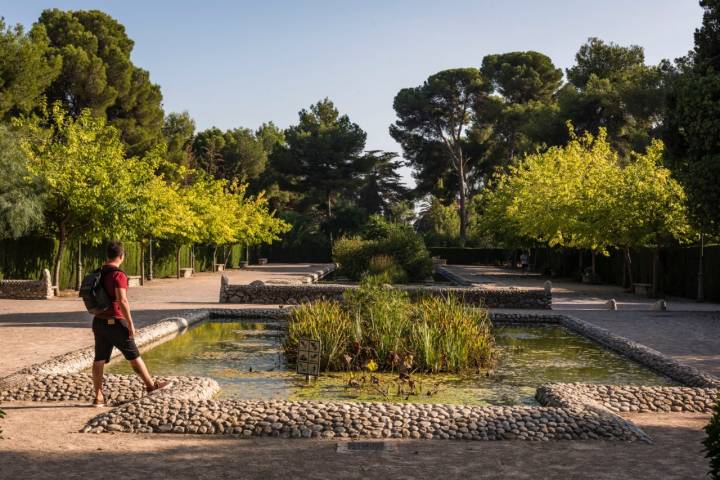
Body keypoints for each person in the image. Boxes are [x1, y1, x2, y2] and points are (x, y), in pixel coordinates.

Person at [91, 241, 167, 407]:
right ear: (121, 256)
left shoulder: (98, 272)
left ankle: (98, 396)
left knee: (99, 359)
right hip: (116, 322)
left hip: (98, 321)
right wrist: (130, 323)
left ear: (107, 255)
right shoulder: (118, 275)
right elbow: (122, 300)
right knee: (134, 356)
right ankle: (150, 386)